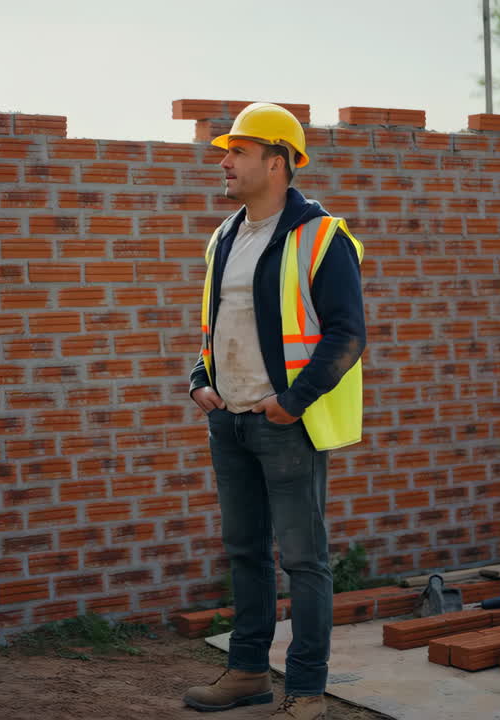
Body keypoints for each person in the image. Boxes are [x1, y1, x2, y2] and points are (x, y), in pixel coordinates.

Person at [182, 102, 367, 720]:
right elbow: (218, 323)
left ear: (278, 162)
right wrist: (200, 379)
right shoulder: (223, 235)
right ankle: (247, 672)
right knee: (244, 552)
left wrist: (291, 403)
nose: (225, 163)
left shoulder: (322, 237)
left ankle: (309, 690)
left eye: (238, 151)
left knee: (304, 560)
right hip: (228, 420)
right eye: (226, 153)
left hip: (285, 425)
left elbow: (347, 335)